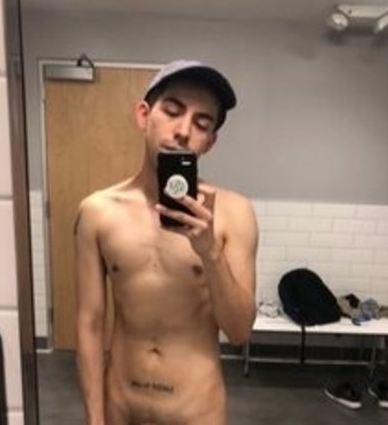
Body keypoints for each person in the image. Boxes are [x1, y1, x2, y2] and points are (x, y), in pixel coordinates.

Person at [74, 60, 258, 425]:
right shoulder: (97, 212)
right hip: (121, 408)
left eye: (202, 124)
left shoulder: (234, 213)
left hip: (196, 412)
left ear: (210, 142)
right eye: (173, 112)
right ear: (144, 115)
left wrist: (210, 253)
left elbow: (239, 331)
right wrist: (95, 418)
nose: (184, 131)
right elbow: (89, 323)